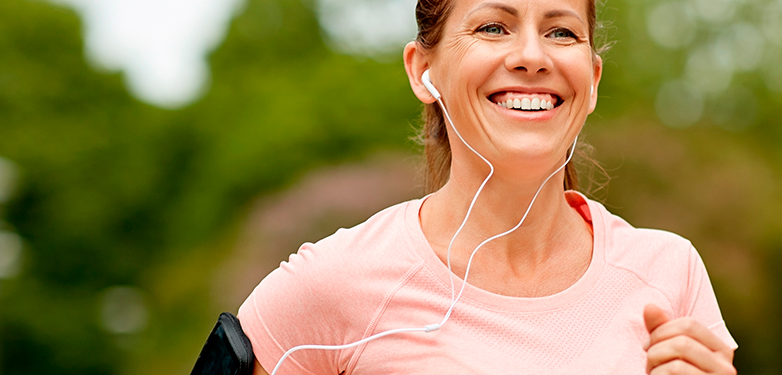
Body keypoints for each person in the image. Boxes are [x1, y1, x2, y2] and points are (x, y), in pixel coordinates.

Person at [237, 0, 737, 372]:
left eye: (561, 32)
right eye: (493, 27)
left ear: (594, 79)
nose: (531, 57)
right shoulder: (334, 283)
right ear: (422, 69)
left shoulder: (670, 273)